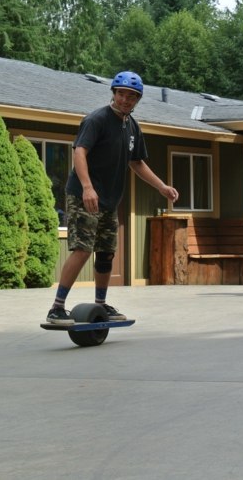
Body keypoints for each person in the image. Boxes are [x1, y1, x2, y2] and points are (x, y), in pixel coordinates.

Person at [46, 71, 179, 324]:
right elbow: (79, 152)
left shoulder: (132, 126)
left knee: (106, 252)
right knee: (83, 249)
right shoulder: (96, 120)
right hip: (83, 194)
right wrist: (87, 187)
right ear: (114, 94)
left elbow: (137, 162)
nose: (125, 100)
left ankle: (101, 304)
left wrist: (161, 187)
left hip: (108, 199)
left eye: (131, 96)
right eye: (121, 94)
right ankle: (57, 307)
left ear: (137, 99)